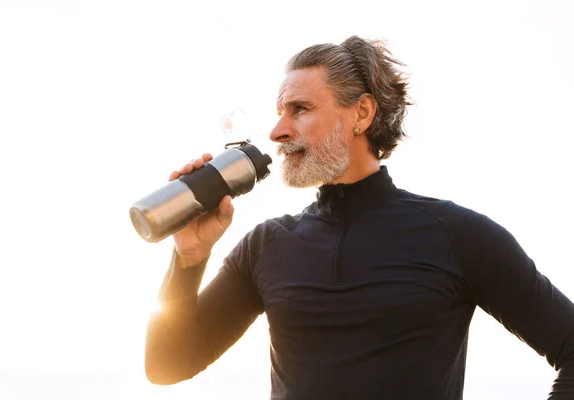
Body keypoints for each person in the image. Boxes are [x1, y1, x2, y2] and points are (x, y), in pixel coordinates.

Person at [144, 35, 574, 399]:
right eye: (279, 112)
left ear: (362, 114)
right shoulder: (266, 246)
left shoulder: (457, 236)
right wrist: (189, 256)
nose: (277, 131)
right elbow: (167, 365)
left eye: (300, 109)